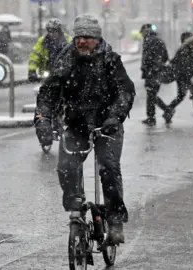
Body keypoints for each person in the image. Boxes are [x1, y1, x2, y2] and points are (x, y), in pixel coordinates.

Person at [34, 15, 135, 245]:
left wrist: (114, 117)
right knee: (66, 167)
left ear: (97, 39)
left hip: (106, 125)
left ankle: (115, 220)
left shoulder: (110, 59)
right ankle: (75, 207)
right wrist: (43, 120)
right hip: (76, 125)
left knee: (108, 167)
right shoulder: (65, 59)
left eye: (87, 37)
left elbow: (125, 92)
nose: (81, 41)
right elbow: (48, 93)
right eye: (78, 36)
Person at [164, 32, 193, 126]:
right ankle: (168, 112)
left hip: (190, 78)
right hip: (184, 79)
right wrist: (191, 76)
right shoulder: (183, 51)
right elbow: (181, 66)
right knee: (182, 96)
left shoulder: (190, 51)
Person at [140, 23, 170, 126]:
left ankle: (166, 110)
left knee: (151, 94)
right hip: (159, 72)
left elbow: (146, 58)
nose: (142, 36)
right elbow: (166, 57)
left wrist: (146, 68)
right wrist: (160, 65)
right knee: (151, 94)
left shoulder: (148, 41)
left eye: (142, 33)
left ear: (145, 32)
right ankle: (151, 117)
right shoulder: (160, 41)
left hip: (151, 72)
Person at [28, 18, 73, 82]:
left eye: (54, 31)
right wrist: (32, 71)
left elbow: (73, 56)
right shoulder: (42, 41)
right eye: (50, 31)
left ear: (59, 31)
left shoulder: (68, 40)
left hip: (64, 72)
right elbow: (34, 56)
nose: (52, 33)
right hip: (47, 72)